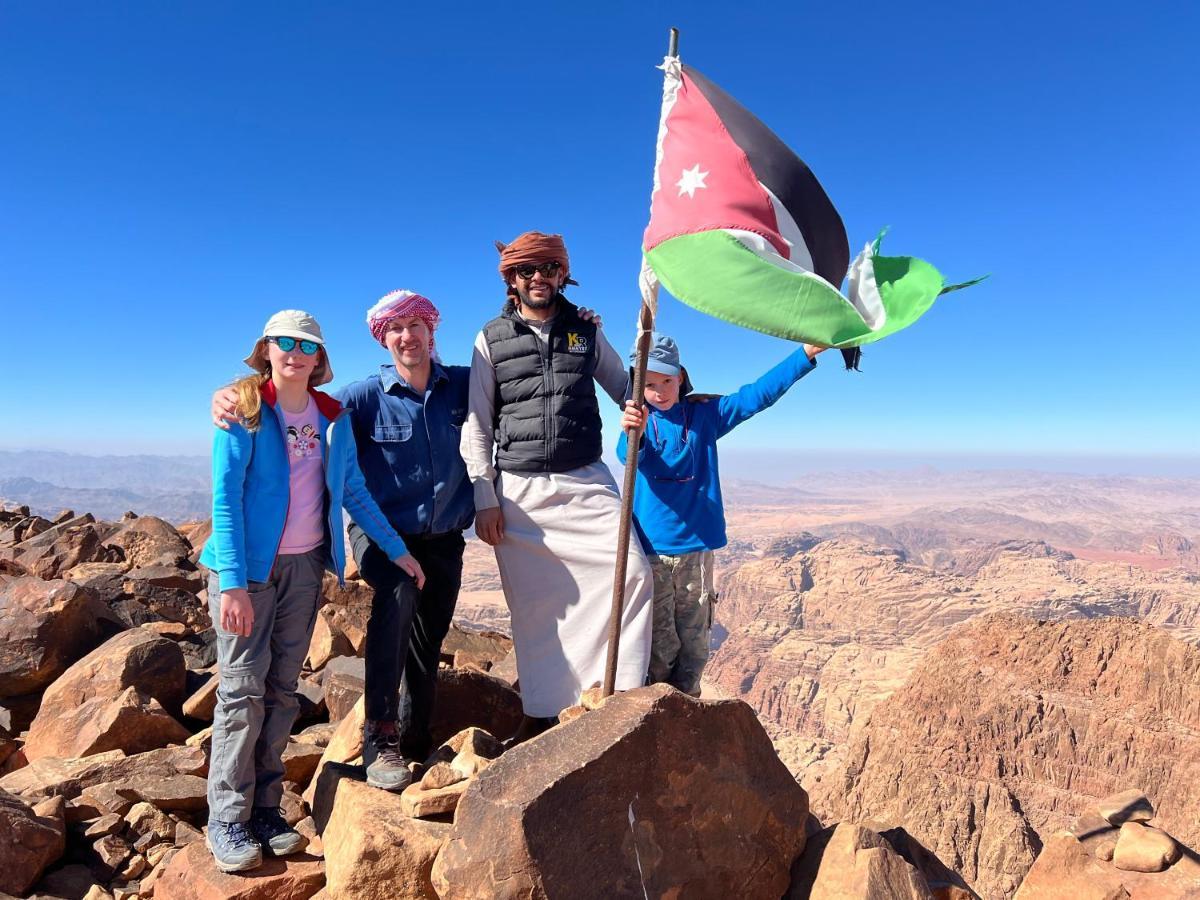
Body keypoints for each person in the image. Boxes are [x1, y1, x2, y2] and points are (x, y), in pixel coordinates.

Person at [199, 310, 417, 873]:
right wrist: (230, 582)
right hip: (245, 572)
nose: (295, 352)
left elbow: (352, 492)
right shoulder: (244, 409)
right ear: (266, 350)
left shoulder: (332, 417)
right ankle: (226, 815)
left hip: (303, 568)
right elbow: (224, 499)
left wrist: (396, 550)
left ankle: (267, 808)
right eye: (284, 343)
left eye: (307, 345)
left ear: (320, 359)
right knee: (241, 690)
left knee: (281, 688)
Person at [461, 231, 654, 736]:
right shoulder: (490, 338)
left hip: (586, 481)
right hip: (520, 493)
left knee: (631, 575)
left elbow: (623, 386)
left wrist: (640, 403)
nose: (538, 278)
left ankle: (619, 701)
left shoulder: (585, 331)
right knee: (537, 610)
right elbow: (477, 424)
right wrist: (485, 498)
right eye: (527, 271)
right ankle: (545, 713)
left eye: (548, 268)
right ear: (512, 280)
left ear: (562, 273)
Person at [618, 333, 825, 696]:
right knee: (659, 646)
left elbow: (756, 396)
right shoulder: (640, 424)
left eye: (667, 380)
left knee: (695, 643)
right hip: (651, 552)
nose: (660, 391)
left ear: (680, 377)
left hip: (695, 553)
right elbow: (628, 456)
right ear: (637, 386)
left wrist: (804, 355)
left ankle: (688, 705)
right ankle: (655, 710)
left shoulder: (705, 417)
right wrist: (631, 429)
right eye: (649, 384)